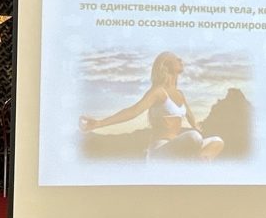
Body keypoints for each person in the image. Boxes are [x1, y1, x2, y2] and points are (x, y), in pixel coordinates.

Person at [79, 51, 224, 161]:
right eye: (175, 59)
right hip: (161, 150)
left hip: (177, 147)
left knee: (217, 142)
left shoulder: (179, 94)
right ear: (165, 65)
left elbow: (188, 114)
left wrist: (195, 124)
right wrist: (99, 123)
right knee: (194, 137)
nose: (180, 59)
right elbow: (133, 111)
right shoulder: (158, 92)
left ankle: (196, 165)